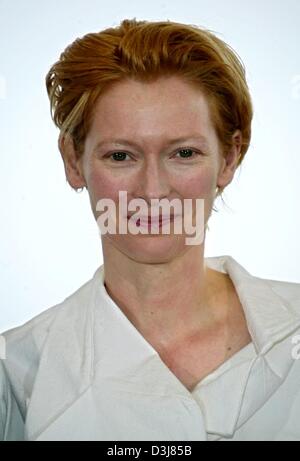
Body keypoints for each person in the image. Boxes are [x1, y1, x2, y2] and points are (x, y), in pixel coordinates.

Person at [1, 18, 300, 441]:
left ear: (229, 159)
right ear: (73, 161)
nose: (153, 191)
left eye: (183, 152)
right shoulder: (15, 375)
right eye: (121, 156)